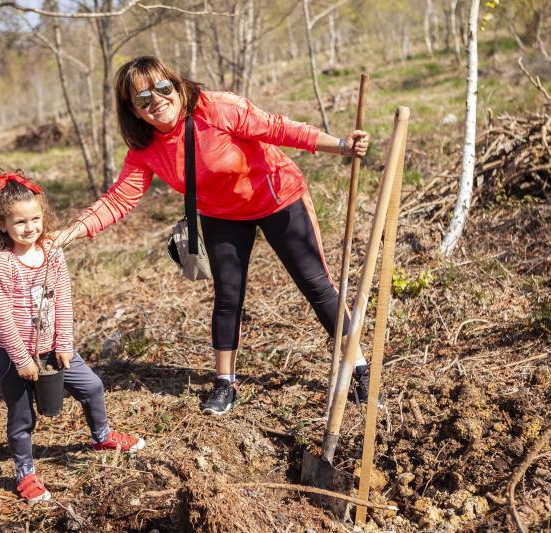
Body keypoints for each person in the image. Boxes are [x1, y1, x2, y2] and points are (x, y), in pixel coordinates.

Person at [59, 56, 371, 416]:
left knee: (316, 284)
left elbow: (277, 128)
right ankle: (225, 383)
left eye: (163, 88)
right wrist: (69, 234)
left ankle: (357, 366)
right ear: (134, 110)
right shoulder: (145, 150)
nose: (157, 101)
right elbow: (118, 199)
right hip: (222, 214)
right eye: (143, 98)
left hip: (277, 196)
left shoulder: (218, 108)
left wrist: (341, 146)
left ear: (177, 87)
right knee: (227, 296)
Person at [0, 172, 145, 504]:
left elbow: (64, 300)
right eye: (20, 222)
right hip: (17, 355)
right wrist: (22, 359)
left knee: (92, 386)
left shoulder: (53, 252)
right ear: (1, 224)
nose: (30, 228)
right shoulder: (1, 265)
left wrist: (65, 344)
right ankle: (26, 474)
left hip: (54, 349)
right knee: (22, 416)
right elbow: (1, 317)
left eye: (36, 219)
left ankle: (101, 436)